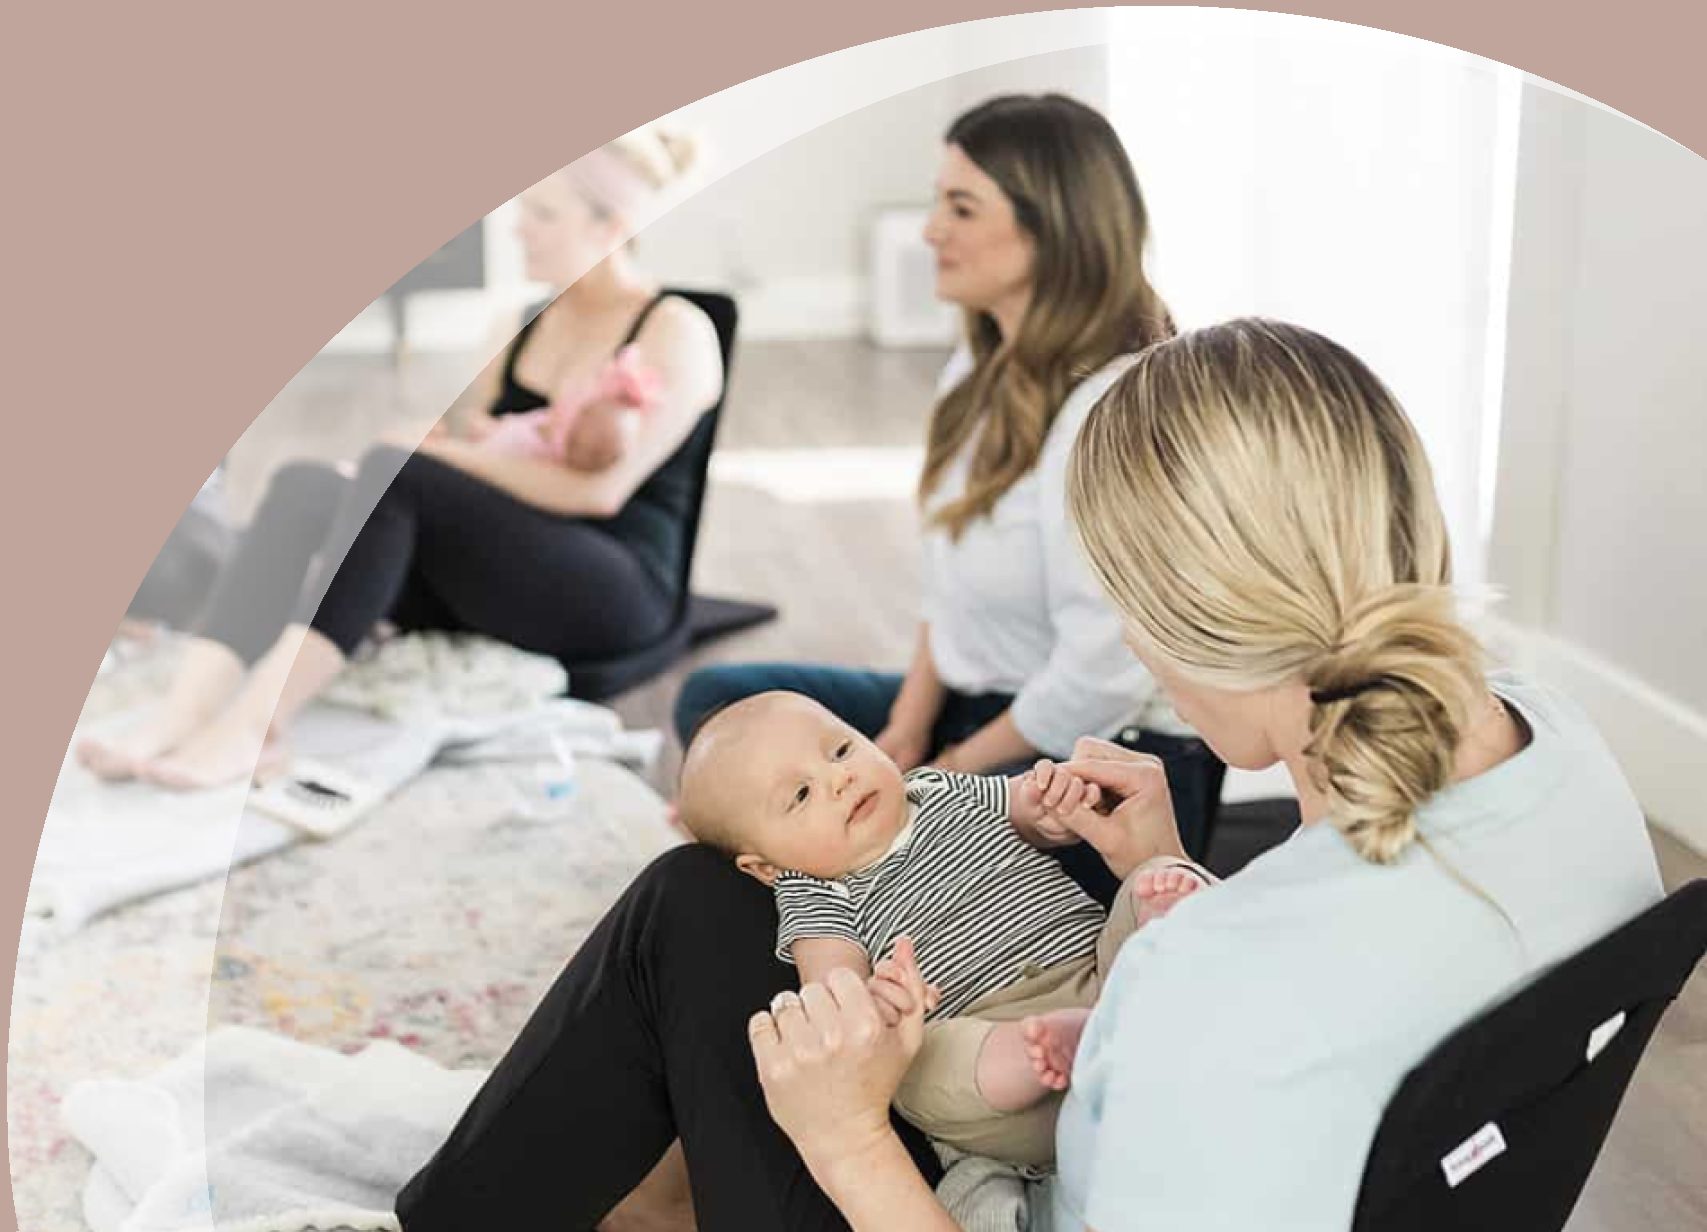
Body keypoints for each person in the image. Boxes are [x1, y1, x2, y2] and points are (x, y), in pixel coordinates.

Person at [397, 317, 1663, 1232]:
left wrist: (846, 1143)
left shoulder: (1201, 988)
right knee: (739, 896)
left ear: (1171, 618)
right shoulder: (1562, 743)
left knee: (687, 906)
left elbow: (1244, 1012)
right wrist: (1161, 866)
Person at [76, 125, 724, 790]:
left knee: (401, 473)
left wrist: (429, 461)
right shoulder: (523, 322)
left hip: (614, 590)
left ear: (609, 225)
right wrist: (430, 454)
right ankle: (182, 715)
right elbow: (471, 449)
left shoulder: (676, 329)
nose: (517, 229)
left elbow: (598, 495)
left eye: (542, 214)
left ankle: (251, 730)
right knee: (307, 485)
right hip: (511, 559)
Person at [671, 93, 1224, 869]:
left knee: (854, 866)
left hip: (1099, 757)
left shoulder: (1111, 411)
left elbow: (1100, 676)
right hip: (983, 706)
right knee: (720, 711)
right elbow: (947, 583)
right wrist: (905, 723)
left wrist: (942, 773)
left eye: (960, 208)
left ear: (1052, 228)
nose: (931, 230)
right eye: (939, 202)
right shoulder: (980, 365)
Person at [675, 690, 1209, 1170]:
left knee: (1149, 879)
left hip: (1095, 970)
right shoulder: (814, 892)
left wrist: (1054, 802)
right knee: (923, 1071)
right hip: (992, 1043)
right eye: (800, 796)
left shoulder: (933, 788)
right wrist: (879, 1003)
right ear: (765, 867)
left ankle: (1155, 940)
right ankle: (1051, 1049)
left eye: (840, 751)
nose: (840, 779)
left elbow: (1025, 808)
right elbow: (835, 995)